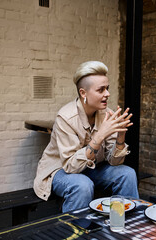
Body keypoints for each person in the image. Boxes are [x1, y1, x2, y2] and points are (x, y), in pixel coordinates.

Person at [34, 61, 139, 213]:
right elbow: (71, 167)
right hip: (60, 170)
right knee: (82, 185)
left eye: (107, 89)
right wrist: (101, 134)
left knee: (127, 173)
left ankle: (126, 225)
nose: (107, 94)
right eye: (101, 90)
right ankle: (75, 233)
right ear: (83, 93)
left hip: (92, 168)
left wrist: (120, 136)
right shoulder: (66, 117)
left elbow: (114, 162)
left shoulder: (106, 114)